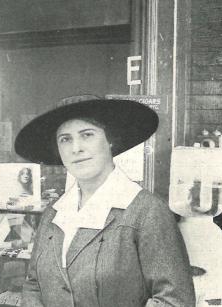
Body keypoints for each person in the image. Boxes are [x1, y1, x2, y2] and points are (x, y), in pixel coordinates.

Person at [15, 99, 194, 306]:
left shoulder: (147, 211)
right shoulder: (54, 213)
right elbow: (33, 284)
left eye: (87, 135)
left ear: (110, 140)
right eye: (65, 139)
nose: (76, 148)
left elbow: (174, 301)